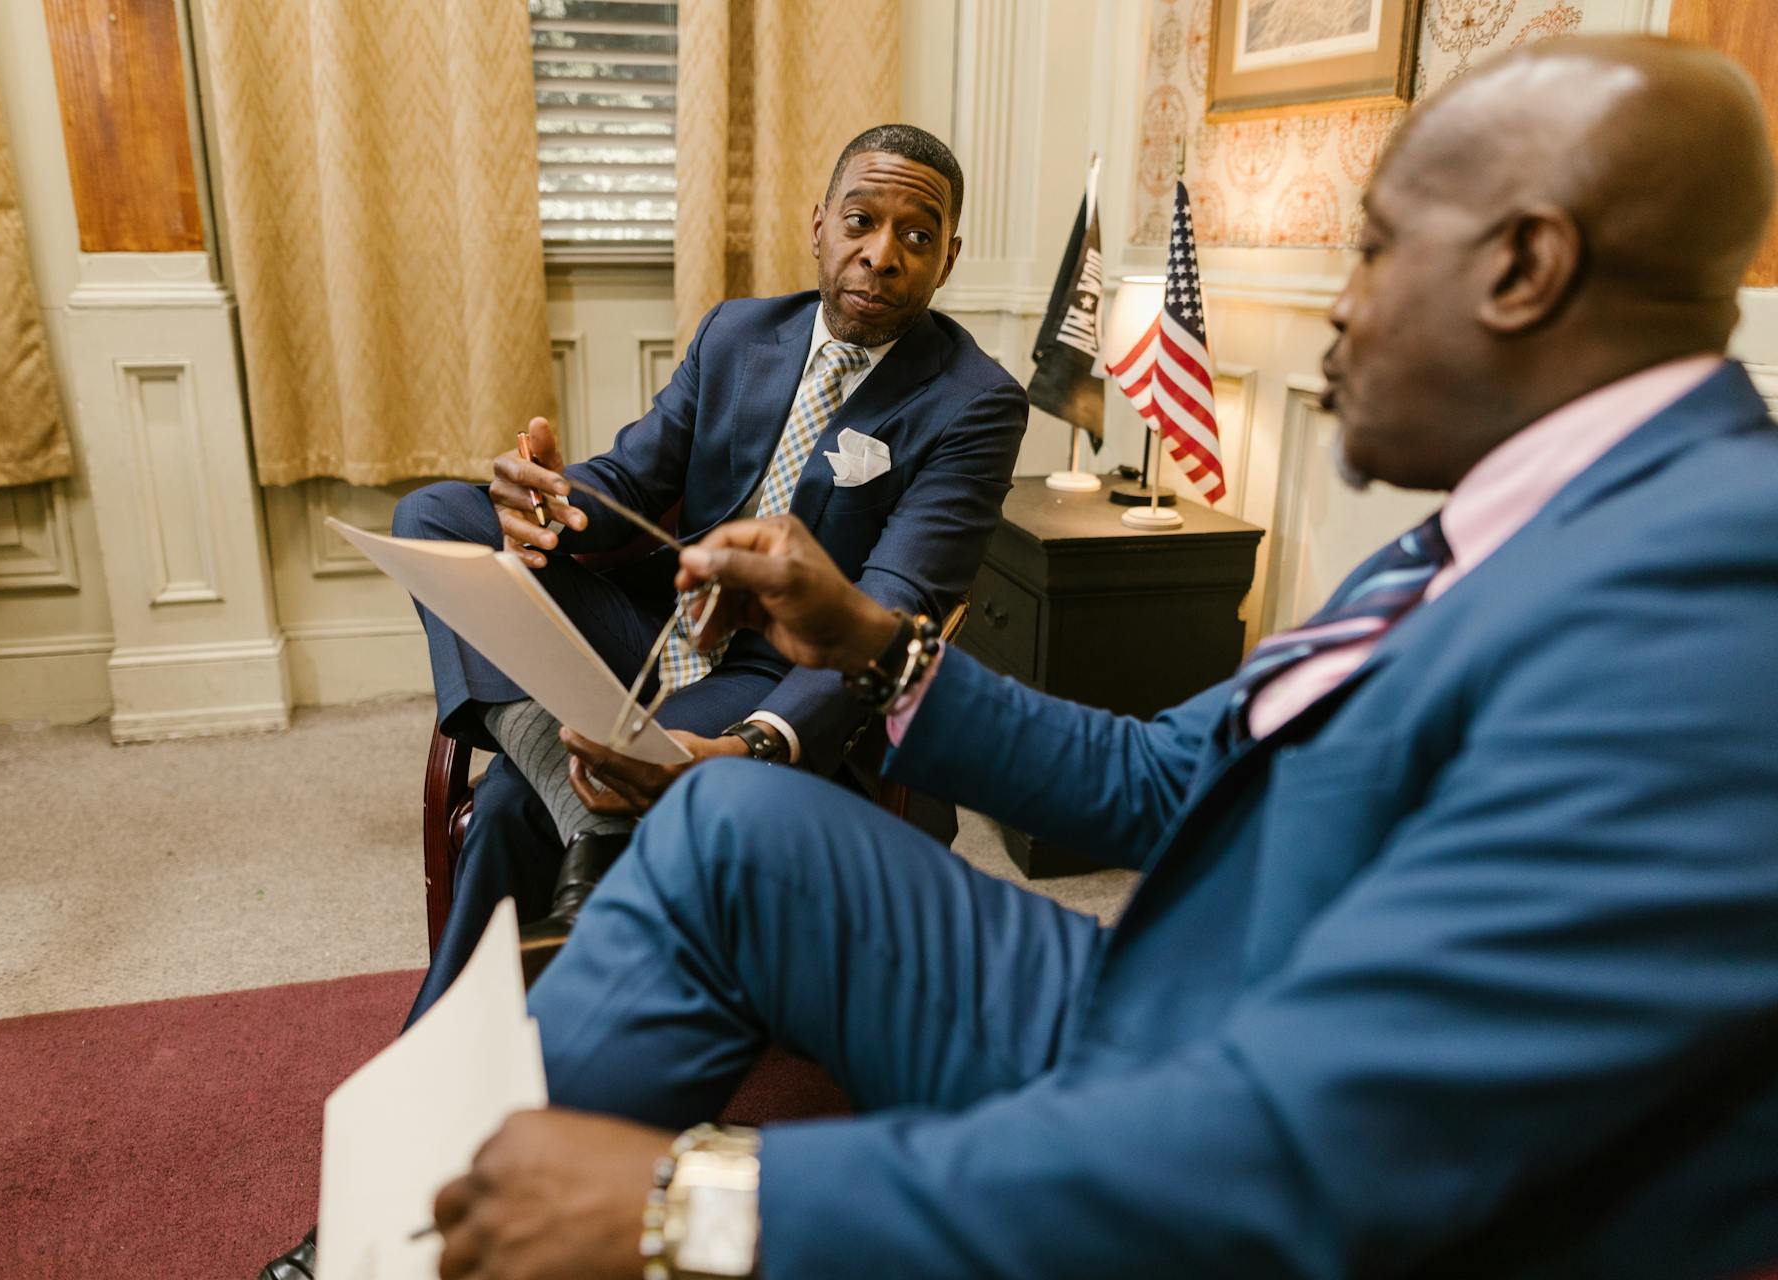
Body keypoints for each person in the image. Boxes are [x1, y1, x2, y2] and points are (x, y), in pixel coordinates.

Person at [428, 37, 1778, 1280]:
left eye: (1371, 249)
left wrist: (692, 1207)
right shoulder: (1486, 534)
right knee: (730, 821)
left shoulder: (1709, 612)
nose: (1337, 314)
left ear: (1522, 268)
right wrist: (876, 648)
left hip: (1233, 1123)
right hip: (1162, 1004)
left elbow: (1332, 1155)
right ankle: (441, 1219)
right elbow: (1160, 774)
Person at [255, 124, 1025, 1280]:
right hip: (657, 632)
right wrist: (553, 504)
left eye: (917, 236)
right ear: (819, 225)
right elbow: (632, 481)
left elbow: (895, 613)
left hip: (777, 680)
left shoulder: (973, 400)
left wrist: (750, 744)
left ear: (948, 258)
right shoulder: (739, 332)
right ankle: (592, 799)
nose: (882, 253)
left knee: (514, 813)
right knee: (439, 515)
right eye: (862, 221)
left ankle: (390, 1214)